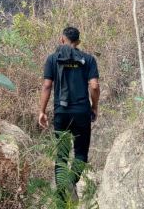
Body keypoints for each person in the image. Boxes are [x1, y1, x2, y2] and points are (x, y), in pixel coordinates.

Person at [38, 26, 100, 205]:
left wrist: (42, 111)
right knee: (81, 153)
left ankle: (60, 198)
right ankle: (72, 182)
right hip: (82, 113)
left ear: (61, 40)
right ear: (78, 42)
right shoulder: (88, 59)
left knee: (62, 155)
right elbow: (94, 86)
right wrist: (94, 107)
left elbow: (47, 86)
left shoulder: (52, 59)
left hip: (61, 114)